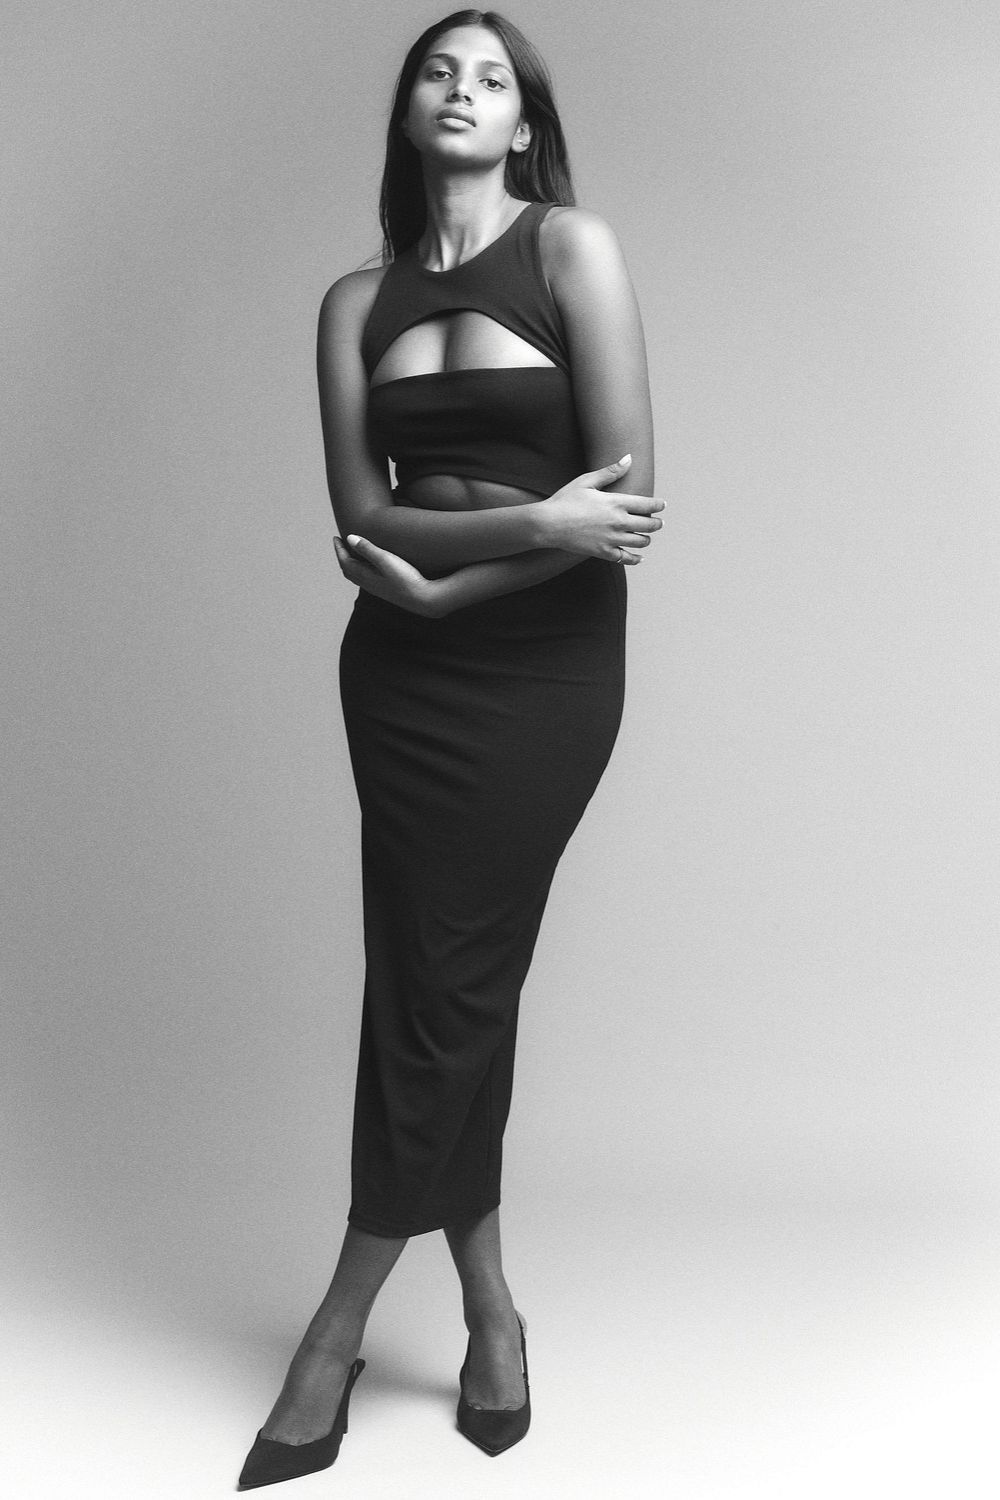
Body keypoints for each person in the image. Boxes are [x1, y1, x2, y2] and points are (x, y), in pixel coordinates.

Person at [238, 8, 660, 1488]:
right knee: (433, 981)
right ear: (408, 111)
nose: (462, 91)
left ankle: (334, 1331)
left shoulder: (571, 252)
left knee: (445, 986)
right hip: (400, 674)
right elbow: (363, 514)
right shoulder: (352, 300)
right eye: (439, 71)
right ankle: (490, 1314)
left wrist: (469, 575)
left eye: (491, 78)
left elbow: (622, 512)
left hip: (542, 666)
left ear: (525, 124)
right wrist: (516, 531)